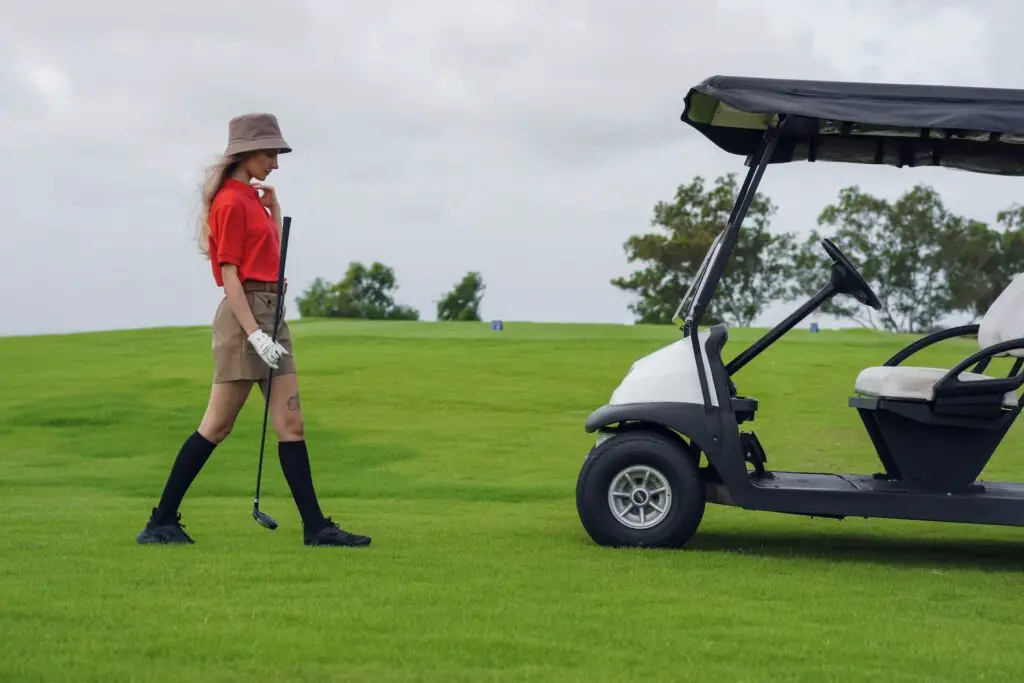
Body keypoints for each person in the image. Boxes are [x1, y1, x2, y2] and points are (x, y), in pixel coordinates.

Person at [136, 112, 370, 548]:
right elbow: (230, 275)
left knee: (292, 423)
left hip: (272, 314)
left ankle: (316, 528)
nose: (276, 163)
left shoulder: (255, 201)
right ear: (246, 153)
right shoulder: (228, 201)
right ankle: (161, 521)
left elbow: (268, 261)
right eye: (270, 153)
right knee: (218, 425)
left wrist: (275, 211)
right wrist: (255, 334)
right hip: (246, 318)